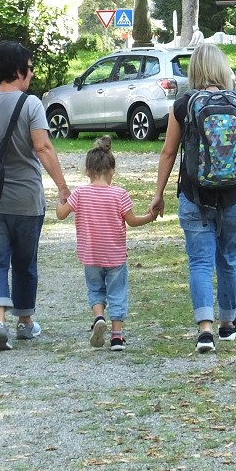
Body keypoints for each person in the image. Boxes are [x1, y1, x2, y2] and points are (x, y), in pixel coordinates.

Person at [0, 41, 71, 351]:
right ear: (19, 71)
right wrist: (62, 186)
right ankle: (25, 323)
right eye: (30, 69)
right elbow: (43, 147)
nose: (31, 75)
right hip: (26, 200)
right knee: (24, 262)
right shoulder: (30, 104)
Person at [150, 43, 236, 353]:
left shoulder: (183, 105)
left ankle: (205, 329)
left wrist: (158, 194)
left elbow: (169, 152)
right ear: (222, 70)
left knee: (200, 262)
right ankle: (228, 324)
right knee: (229, 259)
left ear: (194, 70)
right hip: (234, 194)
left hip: (194, 195)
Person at [56, 135, 157, 351]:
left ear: (87, 171)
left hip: (90, 256)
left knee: (95, 289)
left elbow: (61, 215)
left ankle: (99, 316)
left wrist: (60, 199)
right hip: (115, 256)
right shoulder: (119, 194)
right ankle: (117, 337)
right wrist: (149, 216)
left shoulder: (80, 194)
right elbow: (132, 221)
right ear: (112, 170)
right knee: (117, 292)